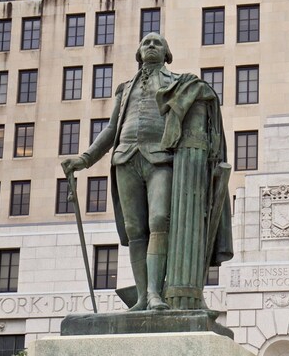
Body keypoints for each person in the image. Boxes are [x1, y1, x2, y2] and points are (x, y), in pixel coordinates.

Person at [62, 33, 232, 312]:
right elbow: (110, 129)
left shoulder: (177, 83)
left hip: (159, 158)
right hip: (125, 158)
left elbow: (202, 98)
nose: (151, 45)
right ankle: (143, 297)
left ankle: (155, 293)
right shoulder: (125, 88)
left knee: (159, 219)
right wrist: (85, 158)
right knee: (134, 229)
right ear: (139, 53)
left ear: (167, 53)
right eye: (146, 43)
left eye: (157, 43)